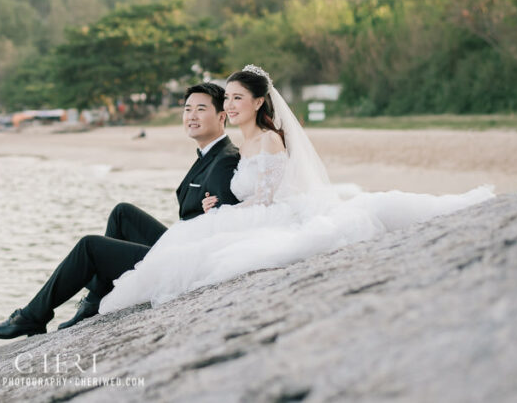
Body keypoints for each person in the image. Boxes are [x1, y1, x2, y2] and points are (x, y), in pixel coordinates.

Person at [98, 65, 495, 313]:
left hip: (276, 213)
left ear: (257, 102)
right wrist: (217, 202)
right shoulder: (245, 145)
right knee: (192, 240)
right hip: (252, 209)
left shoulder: (271, 140)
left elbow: (267, 198)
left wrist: (232, 210)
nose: (230, 105)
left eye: (237, 99)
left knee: (205, 253)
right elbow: (244, 190)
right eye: (229, 99)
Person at [0, 82, 241, 339]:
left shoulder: (224, 160)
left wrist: (215, 211)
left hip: (187, 260)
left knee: (90, 246)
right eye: (187, 109)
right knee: (123, 213)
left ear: (221, 116)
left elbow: (227, 219)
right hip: (182, 243)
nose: (191, 116)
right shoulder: (210, 155)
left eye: (200, 109)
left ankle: (32, 317)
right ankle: (95, 300)